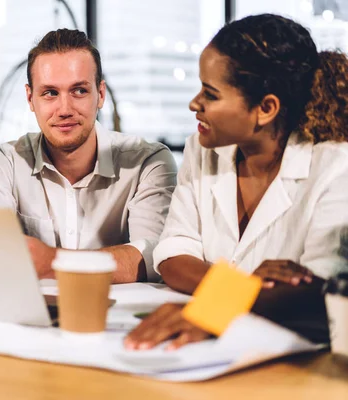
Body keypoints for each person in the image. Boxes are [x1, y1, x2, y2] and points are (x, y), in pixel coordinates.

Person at [124, 14, 348, 349]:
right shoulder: (201, 151)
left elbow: (320, 291)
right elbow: (173, 255)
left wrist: (221, 304)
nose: (194, 104)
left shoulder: (335, 166)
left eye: (210, 94)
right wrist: (247, 286)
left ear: (266, 108)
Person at [0, 29, 177, 283]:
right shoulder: (8, 160)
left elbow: (156, 257)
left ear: (101, 94)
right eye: (50, 93)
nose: (64, 109)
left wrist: (53, 262)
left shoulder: (147, 162)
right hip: (33, 318)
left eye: (78, 91)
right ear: (31, 98)